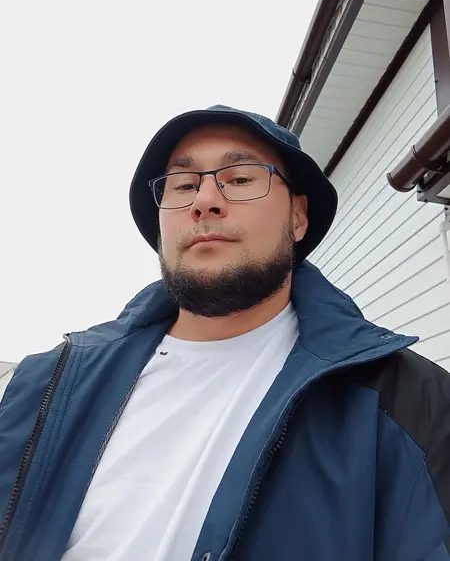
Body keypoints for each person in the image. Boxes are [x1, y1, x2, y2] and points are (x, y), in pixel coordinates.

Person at [0, 105, 449, 561]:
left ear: (298, 217)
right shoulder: (47, 386)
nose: (204, 200)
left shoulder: (409, 405)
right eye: (183, 185)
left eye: (240, 179)